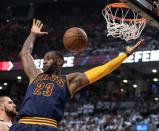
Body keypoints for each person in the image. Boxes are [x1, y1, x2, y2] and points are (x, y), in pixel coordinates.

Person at [10, 19, 144, 131]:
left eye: (48, 58)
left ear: (59, 62)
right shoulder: (35, 75)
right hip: (22, 124)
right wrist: (32, 34)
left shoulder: (69, 80)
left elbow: (103, 69)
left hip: (47, 126)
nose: (44, 62)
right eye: (44, 59)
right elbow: (25, 54)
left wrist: (125, 55)